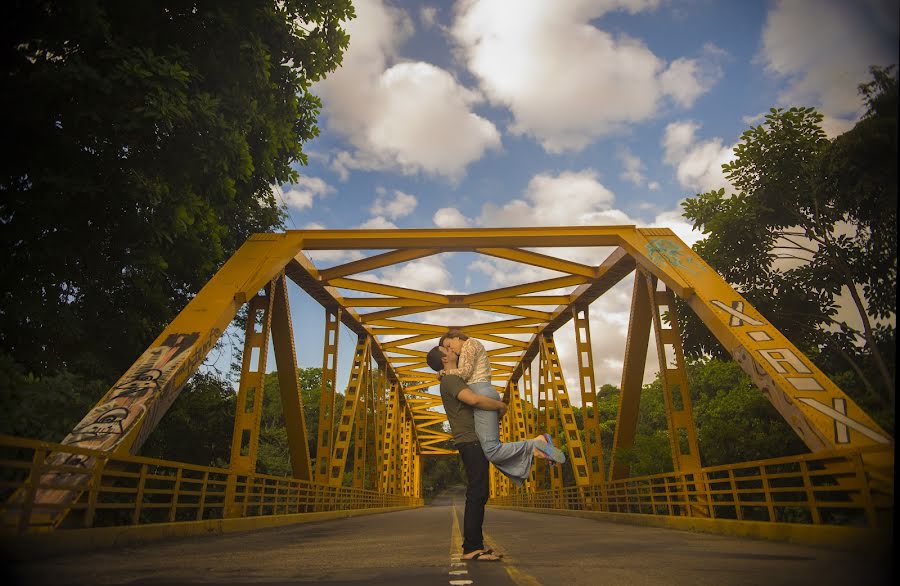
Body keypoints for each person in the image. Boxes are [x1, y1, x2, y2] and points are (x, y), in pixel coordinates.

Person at [435, 330, 565, 484]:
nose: (451, 350)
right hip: (480, 393)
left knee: (491, 450)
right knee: (488, 450)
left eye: (449, 345)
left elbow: (466, 371)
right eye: (447, 349)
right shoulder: (464, 351)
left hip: (481, 393)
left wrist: (445, 373)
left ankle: (537, 443)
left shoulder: (470, 343)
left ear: (456, 337)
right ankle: (537, 449)